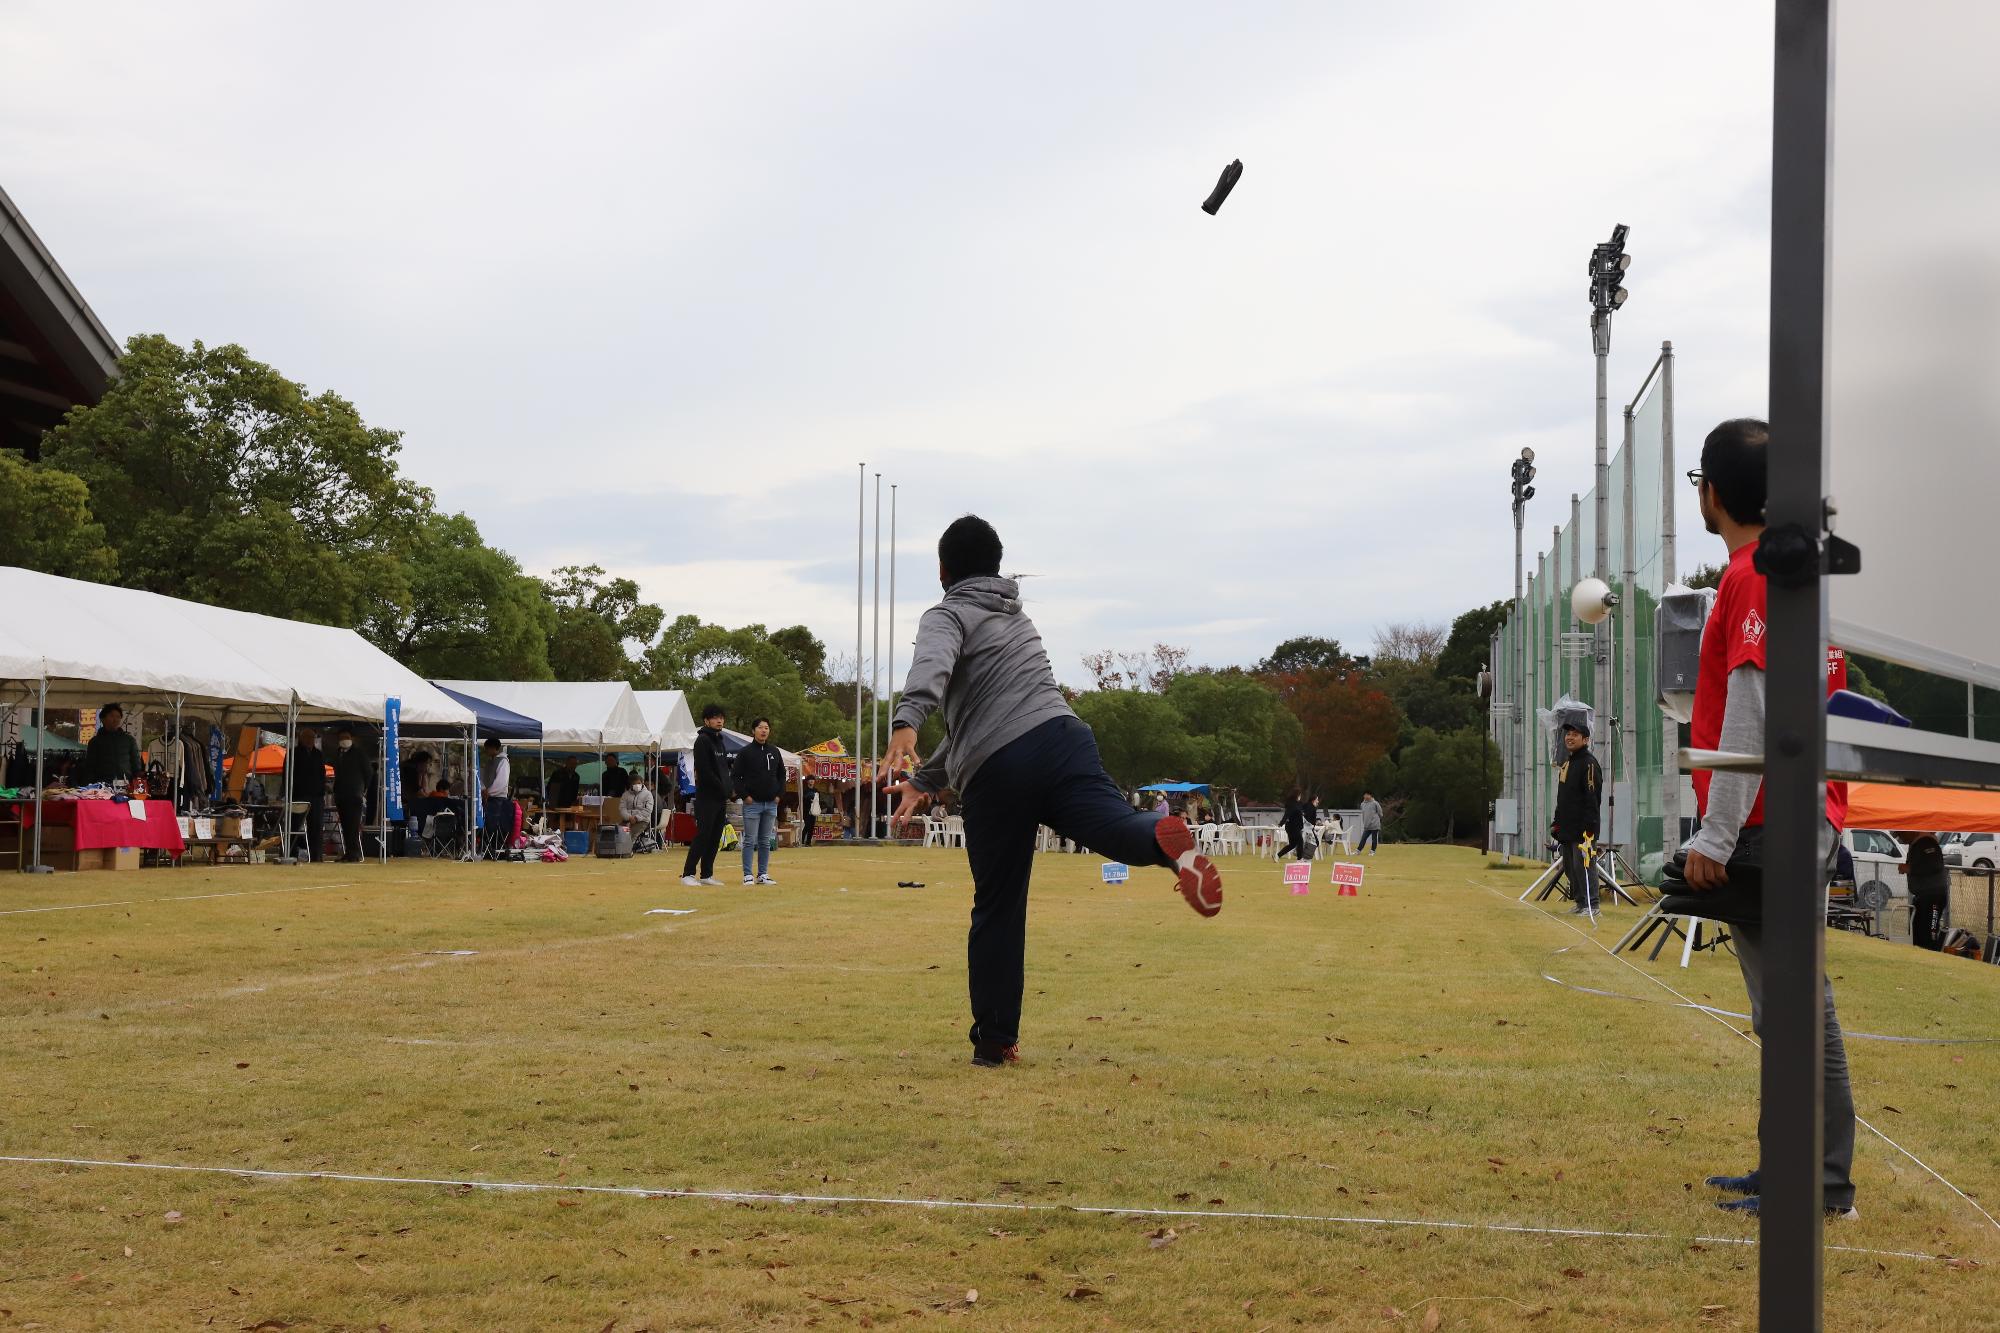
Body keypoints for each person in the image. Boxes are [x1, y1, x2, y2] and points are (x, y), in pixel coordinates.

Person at [884, 515, 1222, 1069]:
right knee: (1114, 826)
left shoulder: (946, 613)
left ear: (942, 570)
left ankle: (996, 1041)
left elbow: (934, 666)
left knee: (998, 904)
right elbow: (984, 720)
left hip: (1002, 768)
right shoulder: (1019, 620)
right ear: (997, 566)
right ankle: (1163, 840)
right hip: (1065, 738)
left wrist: (907, 721)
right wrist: (925, 779)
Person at [1683, 417, 1858, 1222]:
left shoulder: (1754, 575)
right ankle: (1787, 1166)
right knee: (1779, 1002)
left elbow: (1750, 710)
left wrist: (1715, 835)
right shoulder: (1784, 572)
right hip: (1786, 813)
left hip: (1769, 817)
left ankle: (1819, 1182)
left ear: (1712, 494)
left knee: (1793, 1001)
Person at [1550, 723, 1601, 914]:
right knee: (1571, 868)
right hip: (1567, 828)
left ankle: (1592, 905)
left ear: (1585, 740)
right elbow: (1562, 797)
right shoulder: (1567, 763)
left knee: (1585, 866)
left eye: (1575, 734)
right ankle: (1580, 903)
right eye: (1568, 734)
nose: (1570, 737)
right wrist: (1557, 822)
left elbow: (1592, 798)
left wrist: (1589, 828)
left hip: (1583, 829)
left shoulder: (1589, 763)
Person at [680, 704, 731, 886]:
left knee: (716, 835)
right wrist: (721, 788)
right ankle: (688, 874)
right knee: (703, 834)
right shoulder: (702, 741)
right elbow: (705, 771)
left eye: (721, 717)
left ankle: (707, 874)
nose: (719, 720)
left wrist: (728, 789)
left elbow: (724, 770)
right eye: (715, 717)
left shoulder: (720, 741)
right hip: (707, 797)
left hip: (720, 798)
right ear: (706, 720)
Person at [733, 717, 785, 885]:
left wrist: (779, 795)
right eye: (761, 727)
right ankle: (747, 874)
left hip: (771, 803)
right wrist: (745, 796)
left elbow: (782, 775)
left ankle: (763, 874)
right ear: (753, 730)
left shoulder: (774, 751)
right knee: (749, 839)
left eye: (767, 728)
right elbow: (735, 776)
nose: (764, 730)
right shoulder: (745, 752)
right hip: (752, 804)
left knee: (765, 840)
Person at [330, 725, 373, 864]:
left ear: (352, 738)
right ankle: (349, 852)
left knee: (353, 825)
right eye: (342, 738)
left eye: (347, 737)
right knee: (345, 824)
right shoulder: (337, 753)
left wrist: (362, 788)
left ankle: (354, 853)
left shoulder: (359, 753)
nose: (344, 740)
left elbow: (369, 772)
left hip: (355, 794)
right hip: (341, 794)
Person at [80, 704, 143, 786]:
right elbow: (89, 766)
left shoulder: (129, 740)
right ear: (103, 719)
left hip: (126, 785)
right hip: (101, 786)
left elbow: (136, 765)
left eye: (118, 717)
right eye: (111, 716)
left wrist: (137, 783)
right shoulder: (95, 741)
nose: (115, 719)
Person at [290, 728, 328, 863]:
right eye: (307, 737)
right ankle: (291, 853)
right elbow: (287, 775)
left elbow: (322, 774)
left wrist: (322, 791)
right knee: (295, 825)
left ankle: (316, 855)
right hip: (299, 795)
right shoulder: (293, 753)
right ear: (301, 738)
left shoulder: (318, 754)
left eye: (312, 738)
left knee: (316, 826)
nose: (309, 740)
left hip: (316, 797)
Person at [1905, 833, 1949, 950]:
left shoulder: (1927, 843)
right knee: (1916, 929)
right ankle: (1917, 952)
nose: (1899, 837)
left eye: (1899, 833)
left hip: (1933, 896)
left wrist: (1910, 868)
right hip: (1923, 895)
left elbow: (1934, 865)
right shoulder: (1918, 844)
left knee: (1929, 932)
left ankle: (1931, 955)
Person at [480, 737, 513, 857]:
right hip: (488, 797)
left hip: (498, 799)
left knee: (494, 824)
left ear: (494, 748)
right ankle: (487, 848)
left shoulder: (503, 761)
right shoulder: (490, 762)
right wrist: (483, 789)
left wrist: (489, 792)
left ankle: (495, 848)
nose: (486, 751)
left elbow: (501, 782)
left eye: (488, 748)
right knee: (487, 824)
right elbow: (483, 777)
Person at [621, 772, 656, 842]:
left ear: (642, 782)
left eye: (639, 783)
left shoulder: (648, 794)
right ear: (630, 785)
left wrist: (636, 818)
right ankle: (621, 849)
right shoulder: (626, 795)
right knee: (620, 832)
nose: (637, 785)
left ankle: (628, 850)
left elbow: (648, 810)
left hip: (642, 821)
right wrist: (629, 817)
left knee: (631, 834)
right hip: (627, 820)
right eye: (634, 784)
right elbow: (622, 809)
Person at [1277, 787, 1309, 860]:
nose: (1300, 797)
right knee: (1300, 841)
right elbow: (1287, 814)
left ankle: (1278, 855)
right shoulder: (1291, 804)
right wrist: (1281, 823)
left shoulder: (1299, 804)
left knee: (1292, 844)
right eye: (1300, 795)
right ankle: (1300, 859)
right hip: (1292, 826)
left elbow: (1302, 811)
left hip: (1298, 826)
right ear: (1297, 795)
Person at [800, 777, 820, 847]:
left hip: (814, 810)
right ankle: (801, 841)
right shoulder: (804, 790)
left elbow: (818, 800)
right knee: (807, 825)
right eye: (810, 780)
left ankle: (808, 842)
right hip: (806, 810)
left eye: (813, 780)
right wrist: (809, 799)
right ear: (807, 781)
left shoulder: (816, 790)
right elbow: (803, 799)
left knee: (812, 827)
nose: (811, 781)